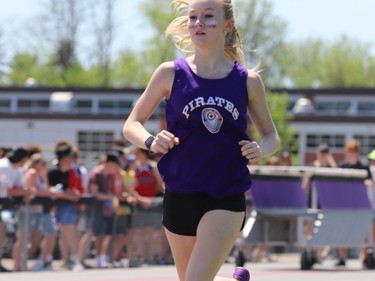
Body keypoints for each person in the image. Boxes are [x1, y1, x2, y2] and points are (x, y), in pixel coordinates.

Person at [123, 0, 280, 280]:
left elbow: (272, 136)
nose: (198, 23)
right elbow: (131, 125)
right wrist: (150, 141)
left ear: (227, 25)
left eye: (208, 17)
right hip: (179, 193)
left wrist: (260, 149)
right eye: (193, 17)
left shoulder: (247, 81)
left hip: (225, 194)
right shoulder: (170, 73)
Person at [336, 139, 371, 267]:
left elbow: (370, 184)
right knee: (343, 230)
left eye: (353, 152)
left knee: (363, 231)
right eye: (348, 151)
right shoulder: (342, 166)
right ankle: (342, 257)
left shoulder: (363, 167)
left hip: (359, 204)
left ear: (357, 153)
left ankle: (364, 256)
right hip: (345, 204)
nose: (350, 154)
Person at [0, 148, 29, 272]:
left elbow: (20, 185)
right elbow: (7, 190)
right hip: (2, 200)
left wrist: (25, 191)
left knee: (2, 232)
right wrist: (25, 192)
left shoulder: (17, 168)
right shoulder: (4, 166)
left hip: (5, 202)